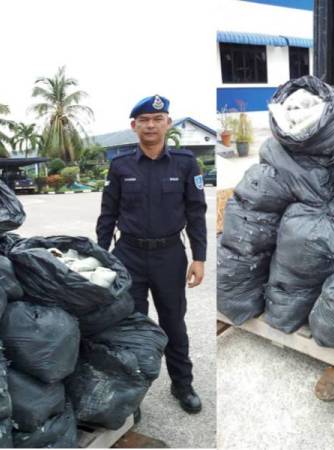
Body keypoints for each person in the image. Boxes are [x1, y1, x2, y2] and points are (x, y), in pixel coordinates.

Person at [96, 95, 207, 414]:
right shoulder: (120, 167)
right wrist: (101, 258)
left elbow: (196, 212)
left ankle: (182, 385)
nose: (150, 125)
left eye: (157, 119)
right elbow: (108, 215)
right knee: (131, 327)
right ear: (134, 126)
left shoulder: (185, 164)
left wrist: (198, 257)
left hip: (170, 256)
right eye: (144, 120)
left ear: (168, 123)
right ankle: (134, 395)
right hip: (128, 255)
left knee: (174, 324)